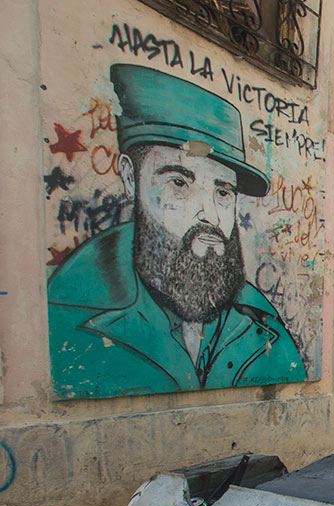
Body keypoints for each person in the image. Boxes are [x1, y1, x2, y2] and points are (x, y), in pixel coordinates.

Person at [47, 63, 305, 399]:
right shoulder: (71, 318)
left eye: (223, 192)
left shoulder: (264, 329)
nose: (210, 215)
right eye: (180, 182)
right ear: (130, 179)